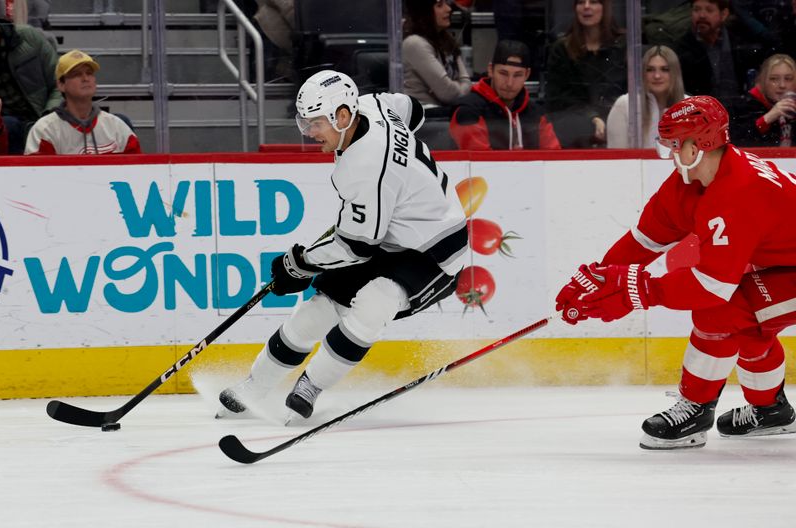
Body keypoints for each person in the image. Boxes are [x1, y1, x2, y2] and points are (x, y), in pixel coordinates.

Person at [218, 70, 468, 420]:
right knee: (318, 310)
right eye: (304, 124)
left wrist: (299, 263)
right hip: (389, 236)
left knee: (374, 302)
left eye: (315, 124)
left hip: (435, 251)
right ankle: (254, 387)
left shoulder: (365, 169)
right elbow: (413, 109)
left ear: (343, 116)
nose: (310, 134)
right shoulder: (373, 104)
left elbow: (355, 249)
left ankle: (311, 386)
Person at [556, 95, 796, 450]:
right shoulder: (690, 181)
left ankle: (696, 410)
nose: (669, 152)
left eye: (674, 143)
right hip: (783, 263)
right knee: (747, 317)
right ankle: (770, 411)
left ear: (700, 145)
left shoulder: (739, 192)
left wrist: (638, 291)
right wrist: (601, 278)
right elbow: (644, 241)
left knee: (724, 310)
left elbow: (712, 288)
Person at [449, 39, 561, 150]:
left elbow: (555, 160)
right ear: (490, 70)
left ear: (527, 75)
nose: (509, 83)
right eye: (503, 73)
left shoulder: (537, 115)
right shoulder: (468, 112)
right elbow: (480, 165)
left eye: (517, 75)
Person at [24, 50, 141, 155]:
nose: (85, 78)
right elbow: (36, 176)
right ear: (61, 85)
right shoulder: (45, 130)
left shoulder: (116, 126)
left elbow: (138, 171)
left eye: (89, 73)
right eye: (77, 74)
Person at [545, 0, 627, 148]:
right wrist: (593, 118)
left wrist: (609, 119)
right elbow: (558, 98)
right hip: (576, 127)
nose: (586, 7)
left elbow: (628, 91)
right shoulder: (562, 49)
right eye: (581, 2)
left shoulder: (623, 46)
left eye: (594, 2)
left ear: (605, 7)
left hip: (619, 122)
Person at [673, 0, 765, 110]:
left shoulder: (740, 42)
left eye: (709, 10)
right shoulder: (681, 49)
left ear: (724, 14)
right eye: (696, 10)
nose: (702, 15)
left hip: (742, 114)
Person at [0, 17, 61, 154]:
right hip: (5, 123)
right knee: (8, 125)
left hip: (46, 112)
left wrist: (49, 114)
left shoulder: (29, 37)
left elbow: (59, 83)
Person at [607, 45, 686, 148]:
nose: (657, 76)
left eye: (665, 69)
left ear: (675, 73)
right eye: (650, 70)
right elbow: (617, 159)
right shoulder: (625, 105)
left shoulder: (691, 106)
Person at [403, 0, 472, 107]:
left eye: (446, 3)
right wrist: (459, 87)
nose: (448, 9)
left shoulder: (446, 39)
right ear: (424, 12)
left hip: (444, 113)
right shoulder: (414, 44)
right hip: (424, 116)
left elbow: (466, 82)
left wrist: (457, 88)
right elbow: (448, 94)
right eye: (440, 5)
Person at [730, 53, 796, 147]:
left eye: (788, 79)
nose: (782, 85)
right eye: (774, 79)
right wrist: (767, 118)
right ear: (762, 82)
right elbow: (735, 143)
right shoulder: (745, 107)